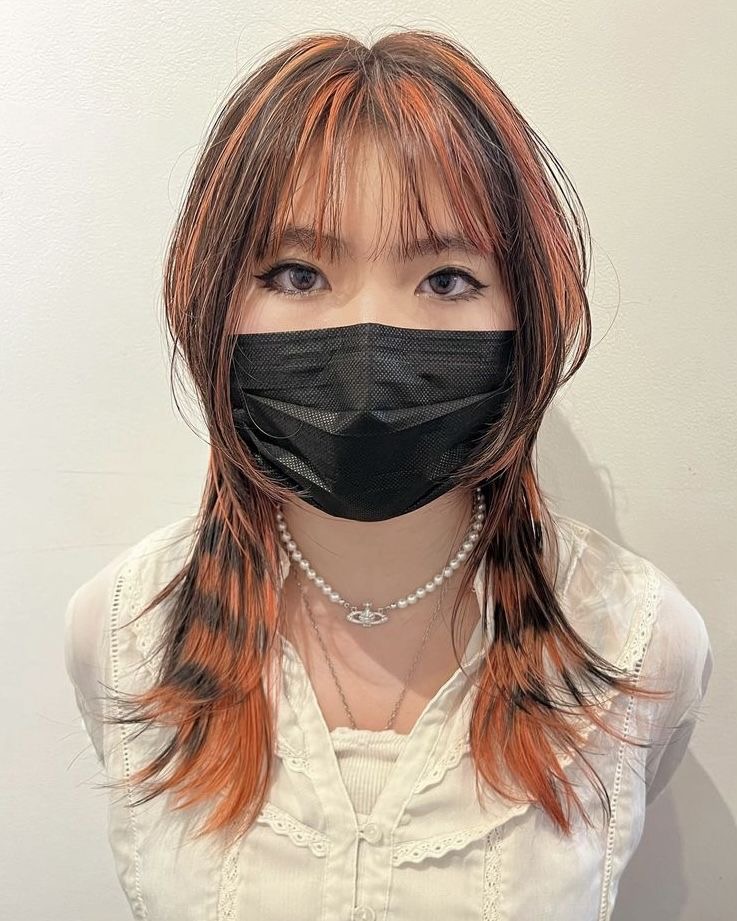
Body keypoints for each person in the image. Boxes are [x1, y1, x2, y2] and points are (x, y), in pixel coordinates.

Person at [64, 29, 713, 921]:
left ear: (525, 313)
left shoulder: (640, 640)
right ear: (212, 301)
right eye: (297, 273)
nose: (368, 342)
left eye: (446, 279)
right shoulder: (120, 629)